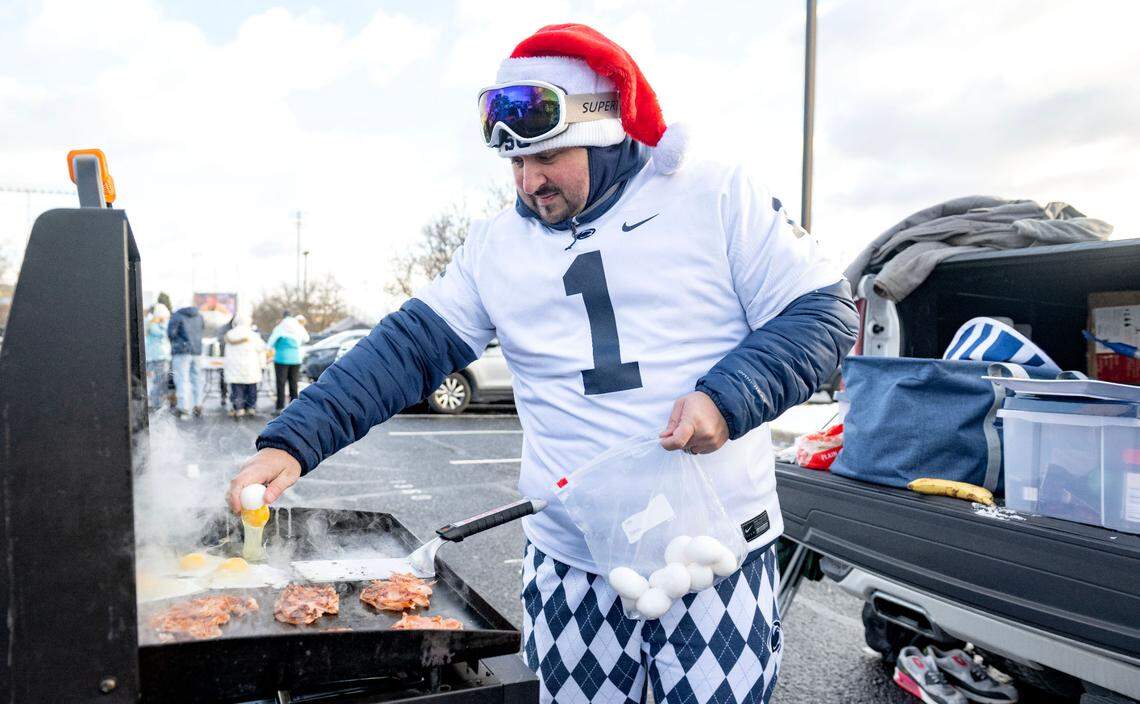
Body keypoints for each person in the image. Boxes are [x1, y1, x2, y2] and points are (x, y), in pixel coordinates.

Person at [229, 24, 857, 704]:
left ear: (604, 131)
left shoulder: (715, 196)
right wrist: (294, 441)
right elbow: (409, 347)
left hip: (715, 554)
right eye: (514, 165)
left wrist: (727, 399)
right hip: (572, 560)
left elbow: (823, 315)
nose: (529, 183)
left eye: (547, 157)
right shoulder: (498, 244)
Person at [223, 314, 265, 417]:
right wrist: (263, 364)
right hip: (250, 366)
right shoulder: (253, 335)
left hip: (234, 367)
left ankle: (239, 408)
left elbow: (226, 353)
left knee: (237, 388)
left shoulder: (229, 335)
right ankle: (250, 407)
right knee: (251, 387)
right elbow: (261, 348)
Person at [266, 311, 309, 413]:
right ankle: (294, 407)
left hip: (281, 358)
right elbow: (306, 338)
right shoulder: (298, 326)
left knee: (280, 383)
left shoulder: (280, 326)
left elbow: (270, 343)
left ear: (283, 316)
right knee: (293, 383)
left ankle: (279, 407)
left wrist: (269, 349)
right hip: (295, 358)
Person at [168, 302, 205, 418]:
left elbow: (171, 333)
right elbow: (202, 330)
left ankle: (183, 407)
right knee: (197, 379)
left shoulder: (177, 315)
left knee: (181, 379)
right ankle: (197, 405)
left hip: (181, 351)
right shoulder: (199, 316)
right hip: (197, 350)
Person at [143, 303, 171, 411]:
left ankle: (155, 402)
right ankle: (155, 402)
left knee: (158, 381)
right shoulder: (152, 324)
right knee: (159, 381)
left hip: (157, 356)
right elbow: (163, 334)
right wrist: (163, 323)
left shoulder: (152, 323)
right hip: (158, 357)